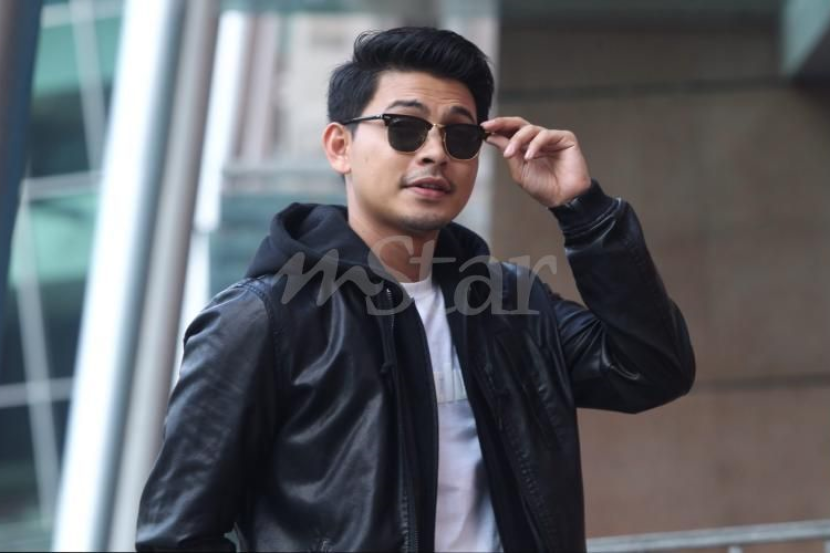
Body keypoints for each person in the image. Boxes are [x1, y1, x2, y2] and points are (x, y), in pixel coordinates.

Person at [136, 26, 695, 552]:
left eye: (460, 135)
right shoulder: (263, 320)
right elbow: (177, 537)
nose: (435, 153)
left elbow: (651, 368)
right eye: (405, 128)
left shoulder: (510, 305)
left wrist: (583, 210)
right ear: (339, 146)